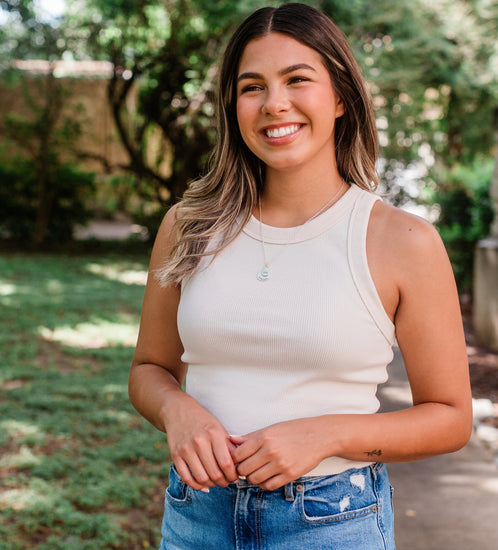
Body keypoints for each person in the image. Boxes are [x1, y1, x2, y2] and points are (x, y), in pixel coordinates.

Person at [128, 3, 472, 549]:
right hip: (197, 516)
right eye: (252, 87)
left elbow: (451, 418)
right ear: (232, 106)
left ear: (340, 98)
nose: (274, 104)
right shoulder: (187, 226)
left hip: (332, 521)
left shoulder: (403, 242)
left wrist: (328, 433)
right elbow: (149, 368)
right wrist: (178, 411)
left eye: (297, 80)